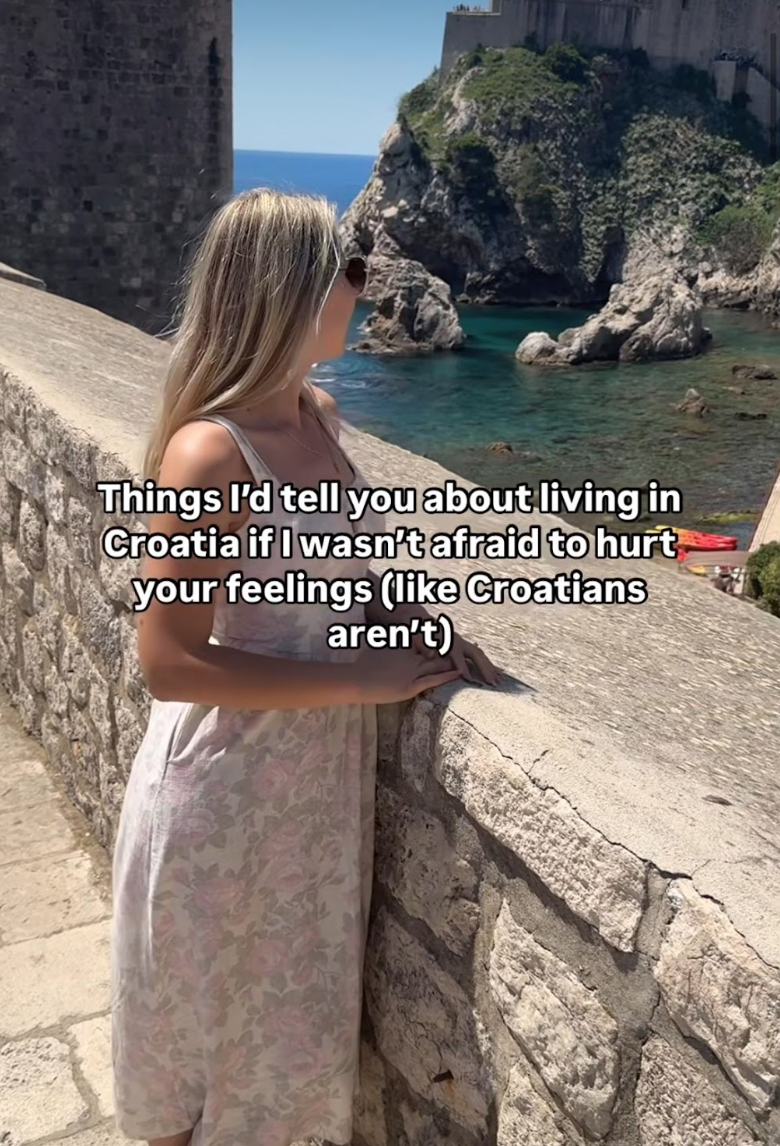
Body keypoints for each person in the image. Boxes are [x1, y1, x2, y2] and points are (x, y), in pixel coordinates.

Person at [110, 188, 499, 1146]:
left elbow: (342, 575)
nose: (365, 291)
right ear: (291, 290)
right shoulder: (210, 453)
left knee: (278, 1060)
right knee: (196, 1060)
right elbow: (168, 660)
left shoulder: (318, 416)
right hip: (223, 794)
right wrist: (367, 681)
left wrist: (414, 624)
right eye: (350, 271)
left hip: (310, 801)